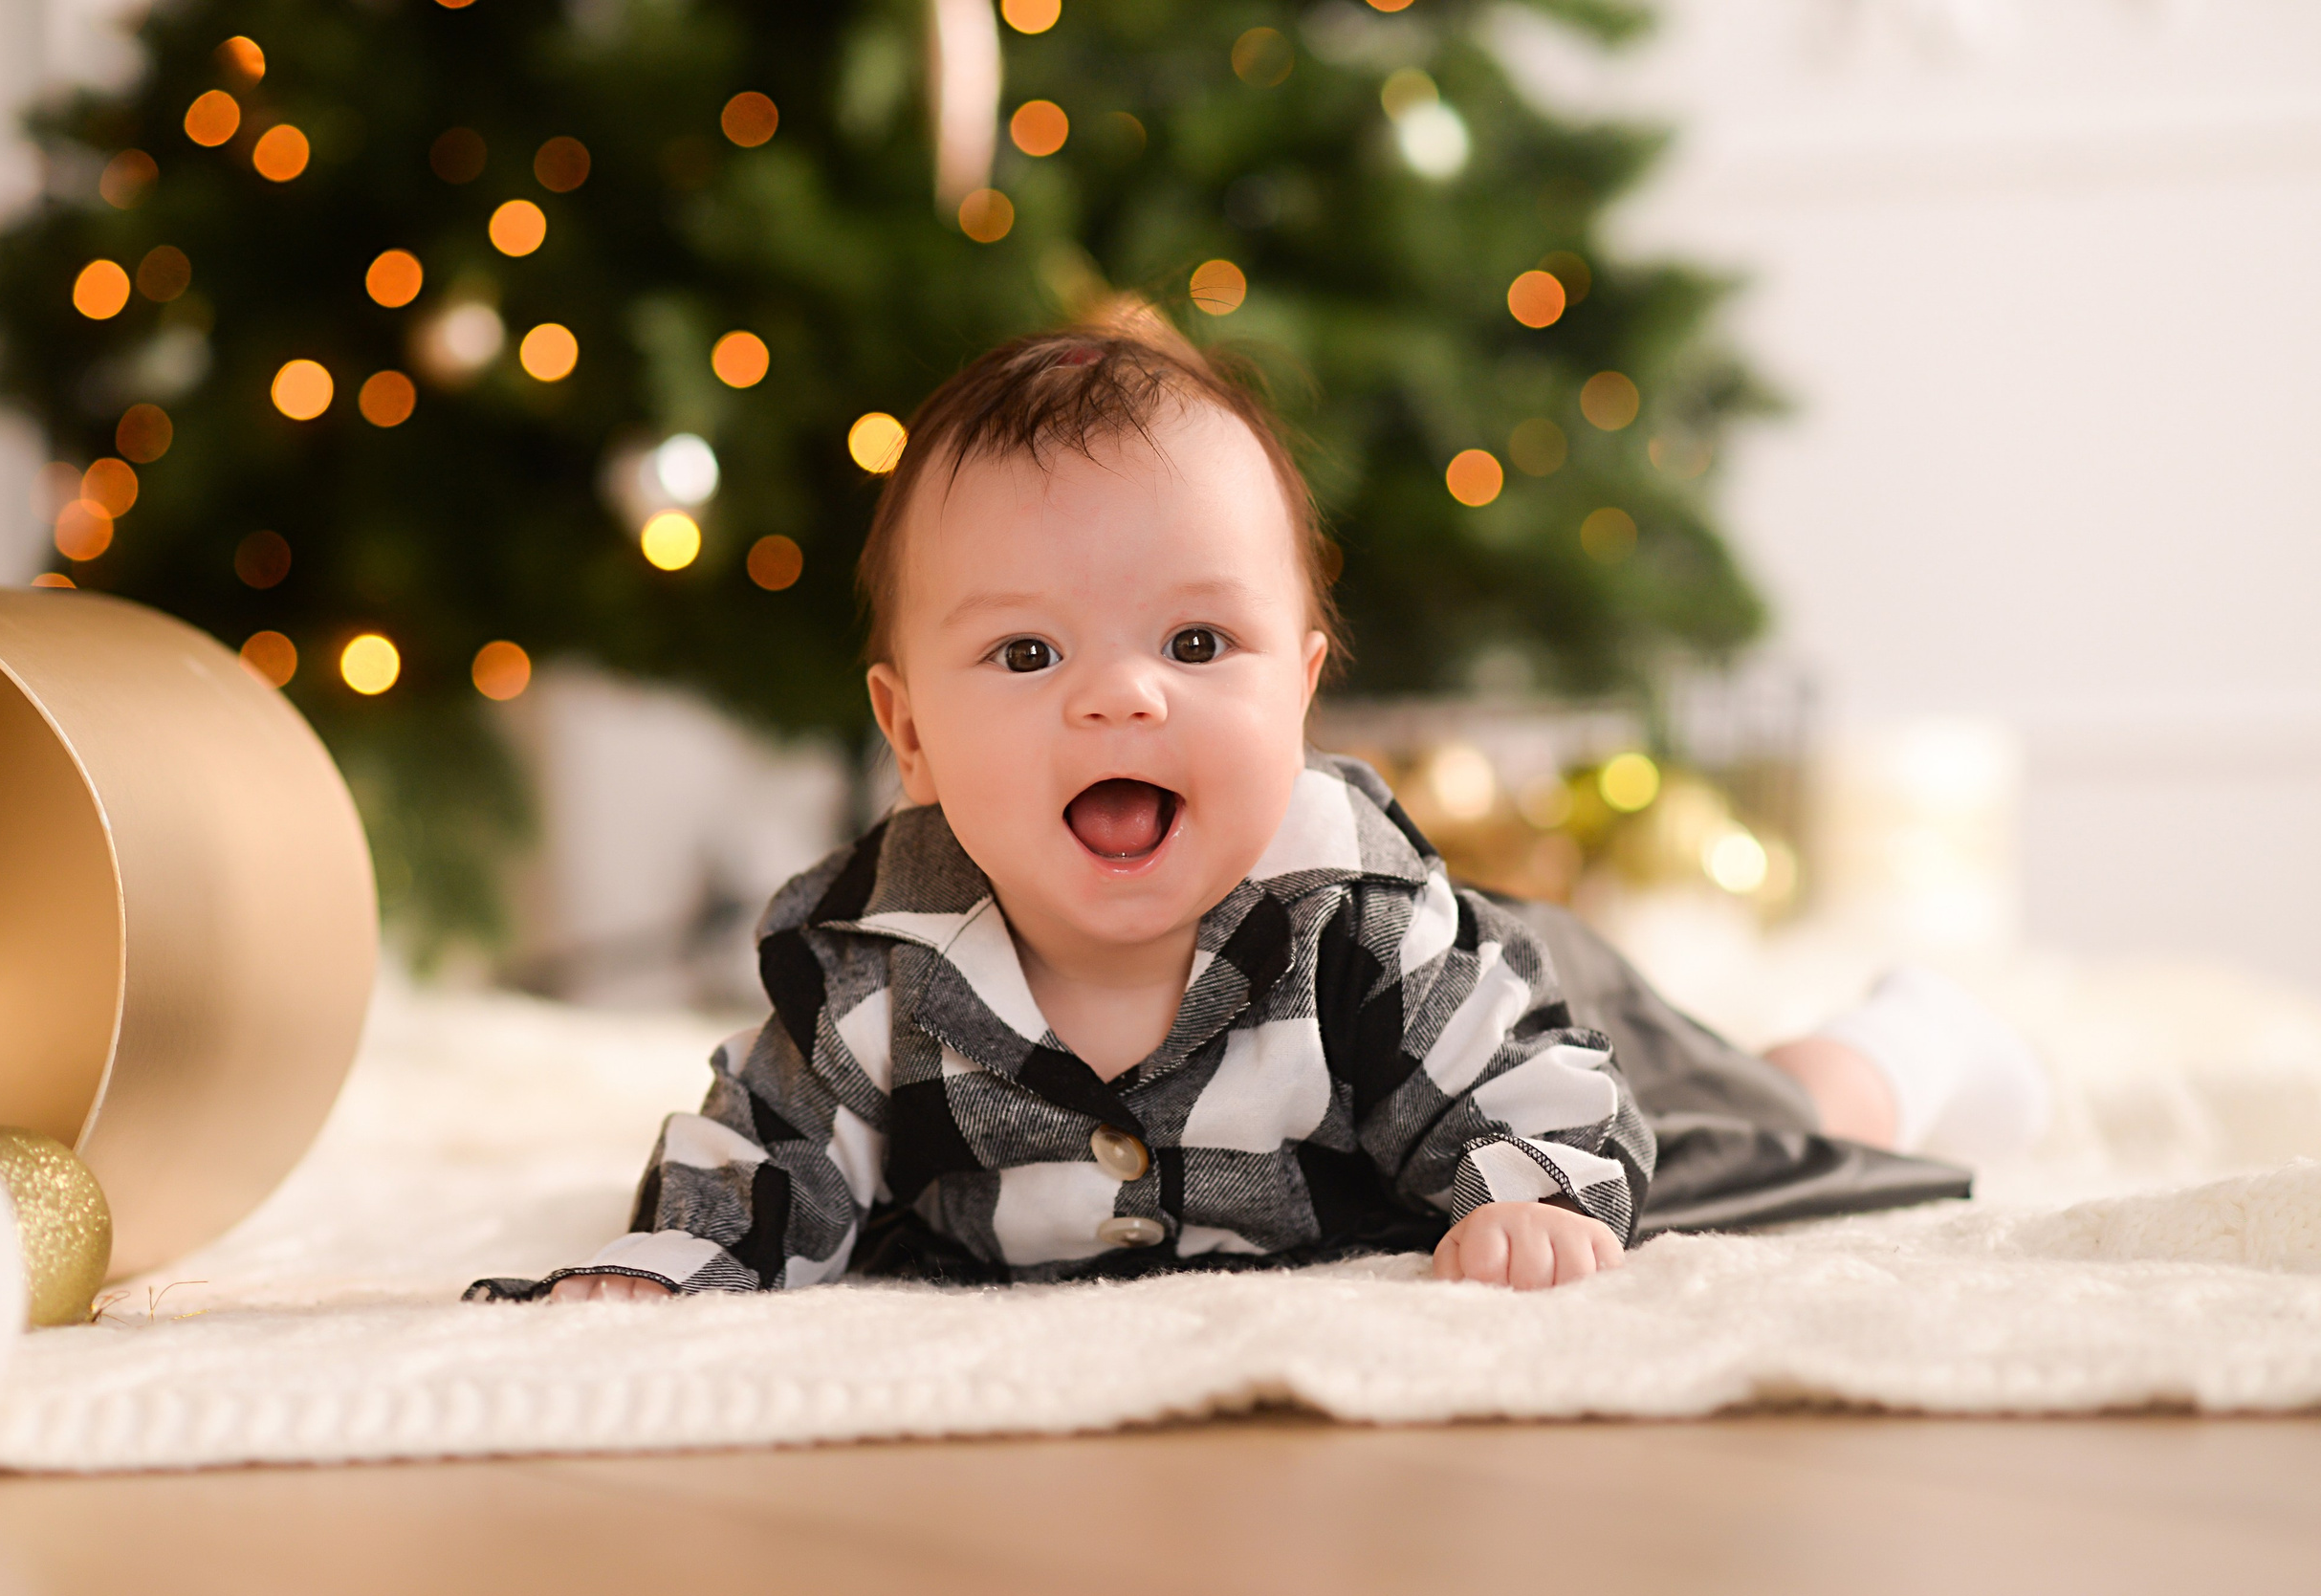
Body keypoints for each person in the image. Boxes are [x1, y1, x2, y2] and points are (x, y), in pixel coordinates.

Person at [469, 311, 2047, 1304]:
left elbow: (1537, 1098)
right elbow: (770, 1158)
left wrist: (1532, 1199)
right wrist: (656, 1264)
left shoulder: (1354, 919)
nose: (1123, 695)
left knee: (1759, 1133)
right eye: (1027, 652)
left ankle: (1913, 1036)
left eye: (1198, 643)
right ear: (912, 737)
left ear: (1300, 686)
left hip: (1527, 1012)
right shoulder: (878, 962)